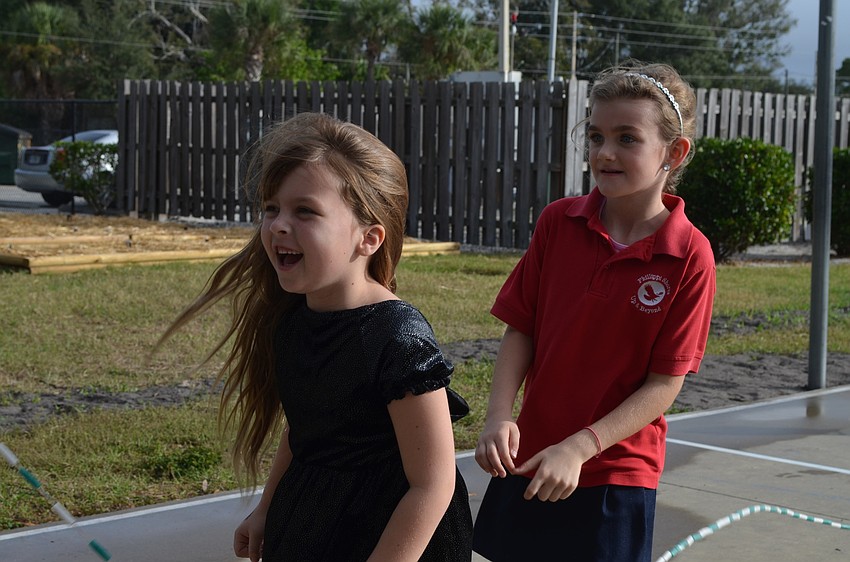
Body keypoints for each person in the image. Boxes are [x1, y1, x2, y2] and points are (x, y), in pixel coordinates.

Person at [160, 112, 472, 561]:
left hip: (391, 537)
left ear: (368, 238)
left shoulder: (397, 338)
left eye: (305, 211)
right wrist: (266, 509)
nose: (278, 225)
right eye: (272, 208)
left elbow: (433, 484)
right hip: (312, 520)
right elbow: (308, 428)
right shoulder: (293, 319)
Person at [472, 62, 716, 561]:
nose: (605, 152)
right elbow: (522, 327)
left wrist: (582, 446)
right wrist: (499, 416)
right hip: (532, 458)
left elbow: (664, 383)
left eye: (627, 138)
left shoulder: (690, 254)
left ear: (674, 152)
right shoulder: (558, 223)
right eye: (596, 135)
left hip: (615, 473)